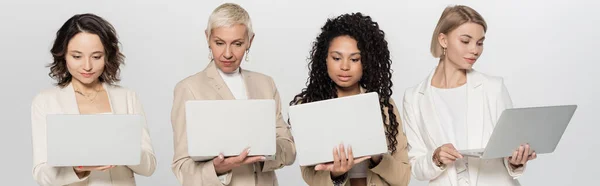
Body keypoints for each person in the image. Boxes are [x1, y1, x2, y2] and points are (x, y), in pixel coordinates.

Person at [402, 5, 536, 186]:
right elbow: (415, 166)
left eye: (480, 43)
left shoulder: (493, 88)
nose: (475, 50)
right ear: (443, 40)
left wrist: (516, 161)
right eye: (465, 41)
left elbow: (508, 150)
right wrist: (436, 158)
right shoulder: (414, 98)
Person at [170, 3, 296, 186]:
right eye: (219, 43)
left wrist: (264, 148)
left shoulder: (265, 84)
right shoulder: (189, 88)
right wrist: (218, 168)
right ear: (207, 38)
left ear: (249, 41)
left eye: (237, 44)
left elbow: (289, 150)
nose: (227, 53)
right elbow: (182, 167)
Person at [31, 13, 156, 186]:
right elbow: (42, 174)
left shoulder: (127, 97)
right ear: (63, 55)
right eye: (77, 56)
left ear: (107, 56)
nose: (87, 66)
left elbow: (149, 167)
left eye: (96, 57)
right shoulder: (46, 101)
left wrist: (124, 146)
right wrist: (79, 168)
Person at [291, 12, 411, 186]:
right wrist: (336, 174)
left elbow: (403, 179)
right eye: (336, 58)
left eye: (354, 59)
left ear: (366, 61)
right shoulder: (309, 105)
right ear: (325, 59)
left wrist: (377, 158)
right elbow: (309, 176)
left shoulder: (384, 106)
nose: (345, 66)